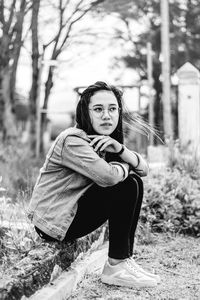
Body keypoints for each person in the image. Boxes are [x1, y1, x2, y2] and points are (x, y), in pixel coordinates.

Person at [27, 81, 160, 289]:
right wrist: (124, 166)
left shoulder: (104, 140)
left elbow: (144, 169)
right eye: (98, 109)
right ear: (85, 113)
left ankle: (123, 260)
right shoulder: (73, 140)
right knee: (125, 185)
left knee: (133, 181)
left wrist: (121, 150)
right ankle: (116, 265)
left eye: (112, 109)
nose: (106, 115)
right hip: (54, 221)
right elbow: (108, 178)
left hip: (71, 211)